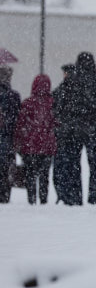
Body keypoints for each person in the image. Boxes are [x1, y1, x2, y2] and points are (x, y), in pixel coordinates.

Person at [53, 52, 96, 205]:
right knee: (95, 167)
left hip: (73, 131)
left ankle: (75, 196)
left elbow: (56, 101)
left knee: (74, 164)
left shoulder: (70, 82)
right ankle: (93, 197)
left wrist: (65, 121)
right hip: (94, 131)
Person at [15, 74, 56, 204]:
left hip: (30, 145)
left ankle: (31, 199)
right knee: (44, 175)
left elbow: (20, 124)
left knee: (30, 175)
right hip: (47, 146)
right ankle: (43, 199)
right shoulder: (52, 103)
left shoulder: (27, 103)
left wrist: (18, 141)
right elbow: (56, 123)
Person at [0, 66, 20, 203]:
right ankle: (5, 194)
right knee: (6, 167)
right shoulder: (14, 95)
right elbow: (19, 118)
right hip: (9, 137)